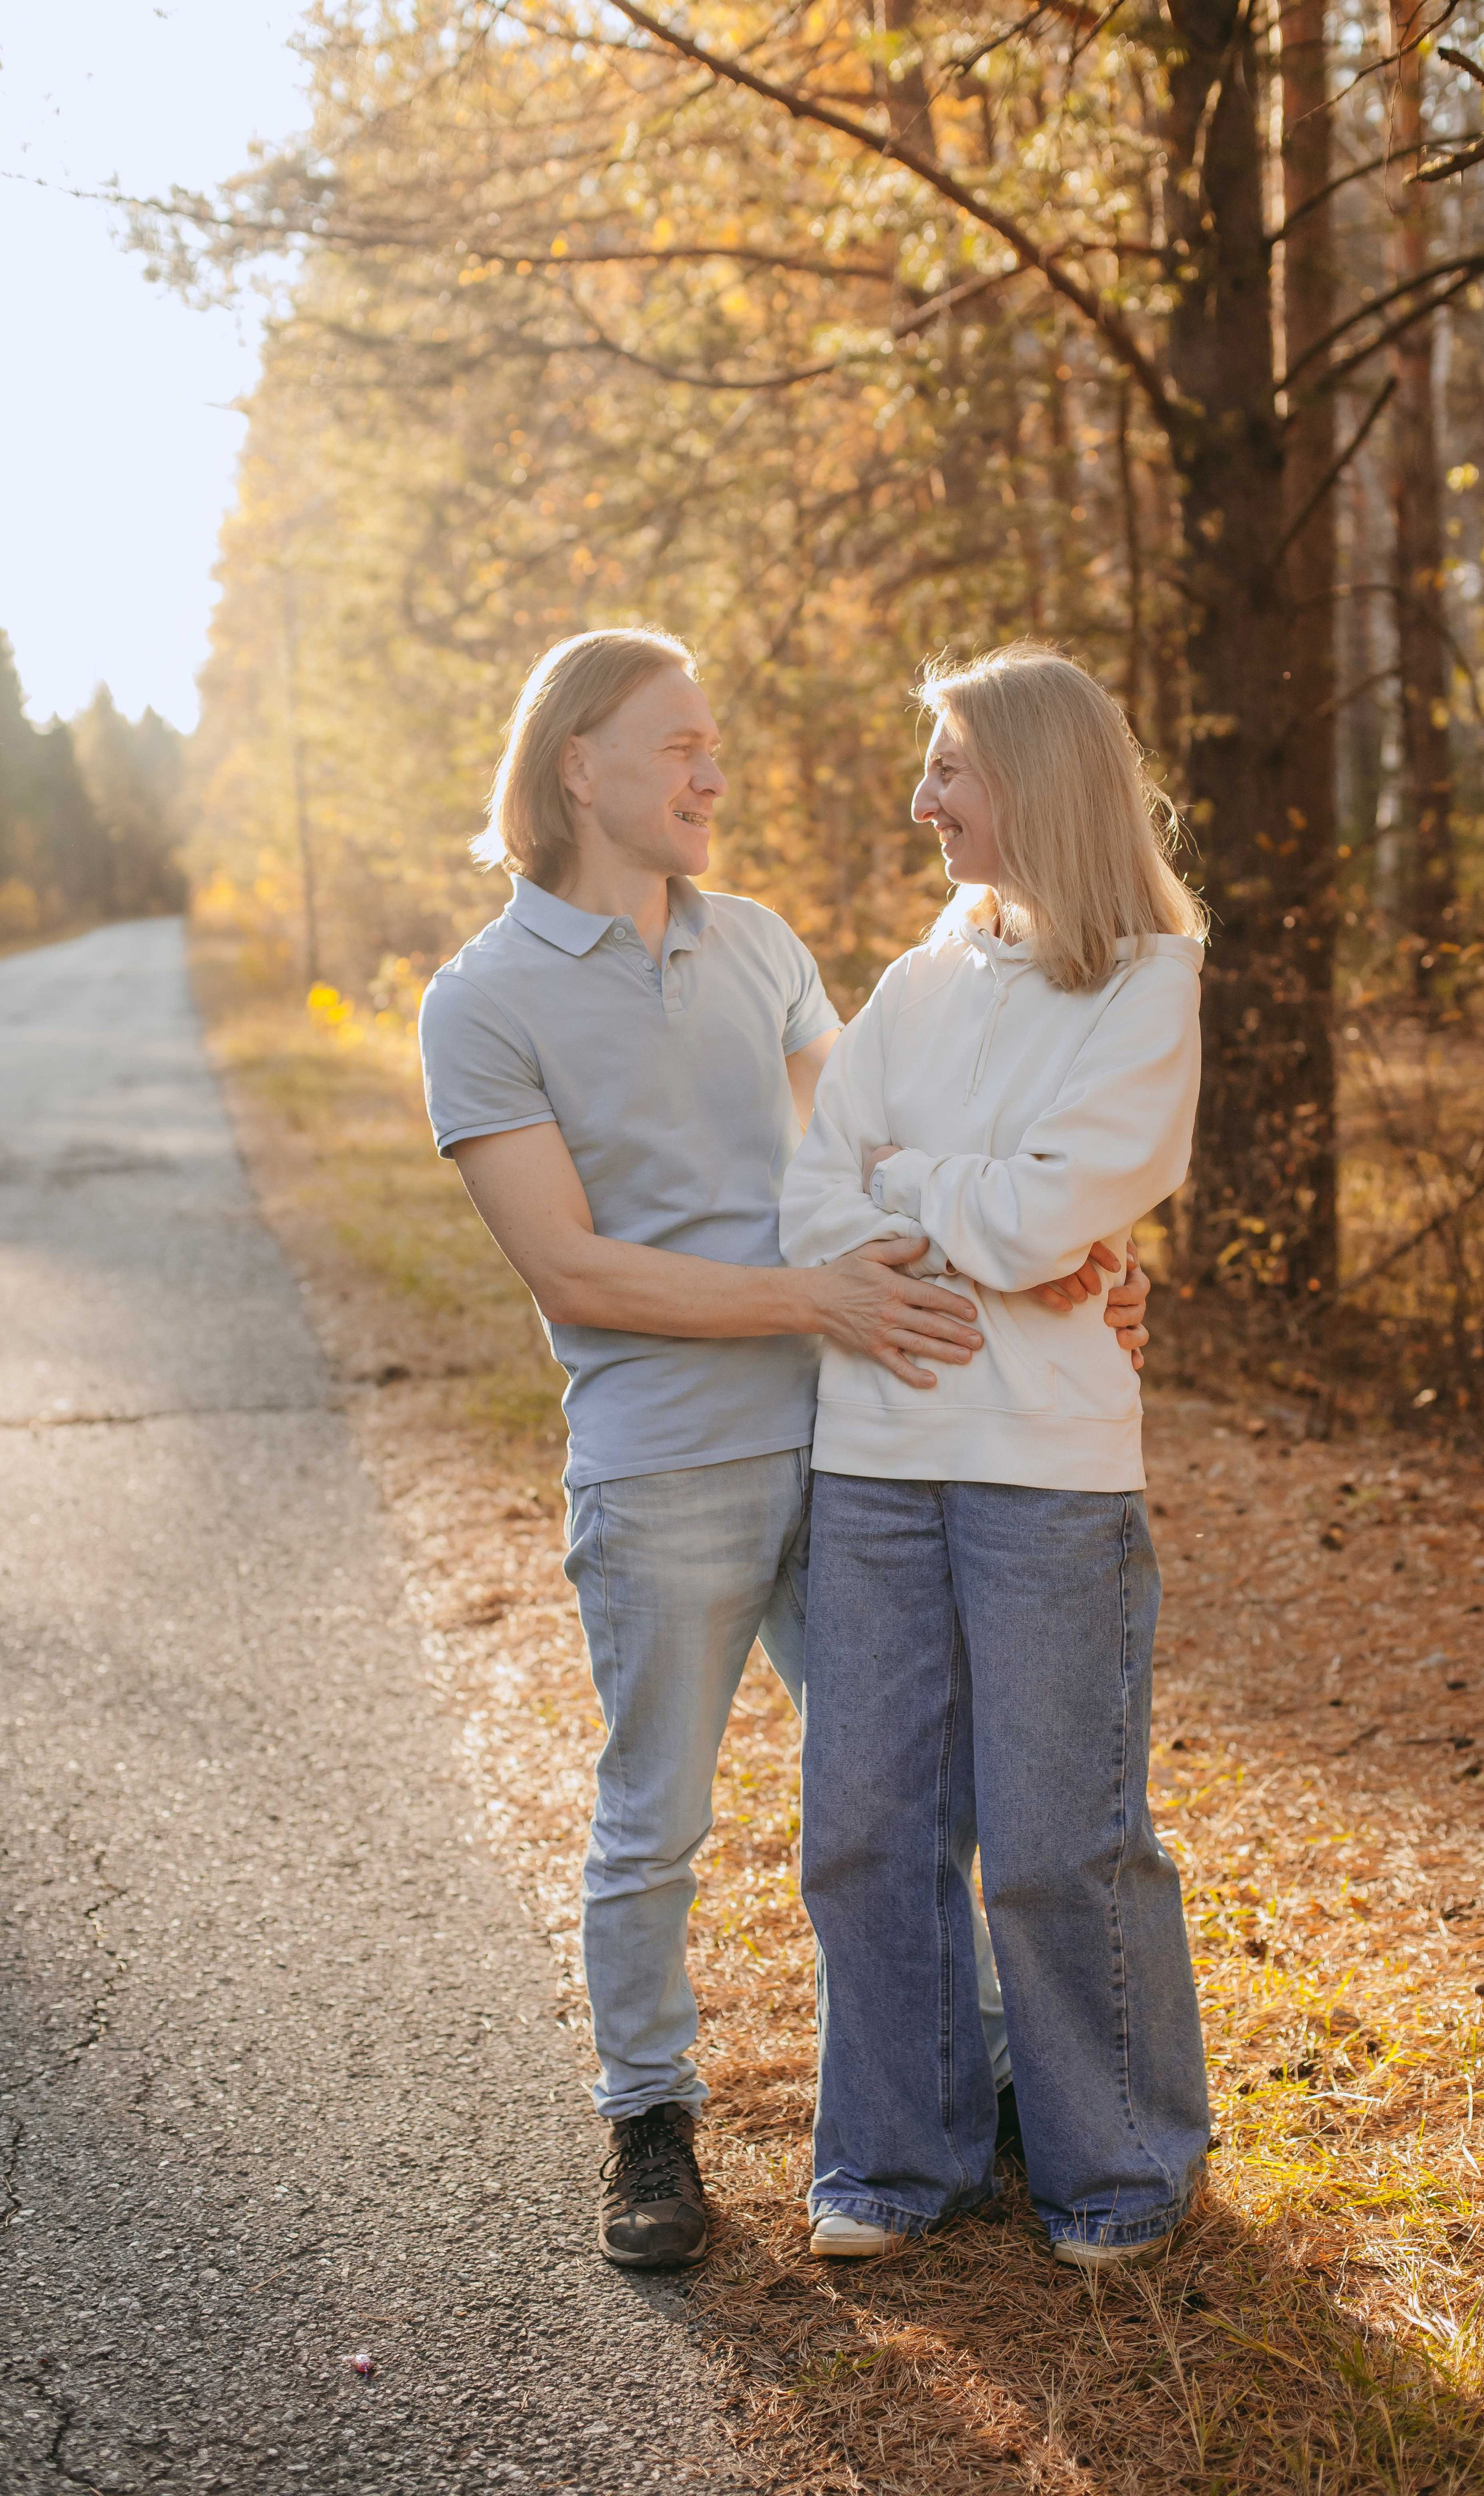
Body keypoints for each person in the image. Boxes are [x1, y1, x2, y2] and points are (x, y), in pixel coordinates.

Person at [416, 628, 1155, 2268]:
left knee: (905, 1804)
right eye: (677, 743)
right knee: (655, 1818)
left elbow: (887, 1155)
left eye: (713, 741)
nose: (713, 771)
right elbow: (573, 1270)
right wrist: (814, 1295)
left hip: (850, 1450)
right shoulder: (480, 999)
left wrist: (1077, 1256)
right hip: (662, 1466)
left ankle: (976, 2098)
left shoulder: (758, 948)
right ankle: (650, 2124)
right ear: (575, 768)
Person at [779, 643, 1212, 2272]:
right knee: (868, 1825)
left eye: (948, 768)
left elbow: (1059, 1213)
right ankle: (898, 2159)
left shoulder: (1150, 978)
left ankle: (1119, 2171)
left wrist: (920, 1189)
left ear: (1030, 777)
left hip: (1046, 1467)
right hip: (874, 1448)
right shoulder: (915, 979)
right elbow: (819, 1196)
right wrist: (959, 1203)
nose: (922, 802)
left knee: (1057, 1835)